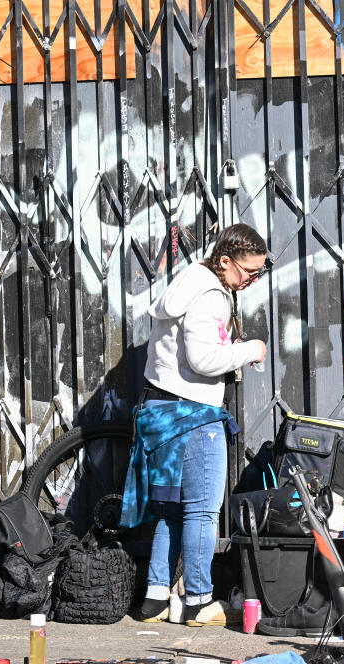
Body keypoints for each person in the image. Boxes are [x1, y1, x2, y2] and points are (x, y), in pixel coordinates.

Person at [125, 223, 269, 627]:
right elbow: (204, 359)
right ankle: (198, 601)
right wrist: (249, 350)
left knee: (170, 512)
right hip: (194, 418)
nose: (252, 280)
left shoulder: (186, 286)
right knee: (202, 513)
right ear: (224, 261)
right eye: (248, 272)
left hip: (160, 415)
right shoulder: (209, 296)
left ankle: (154, 599)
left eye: (259, 273)